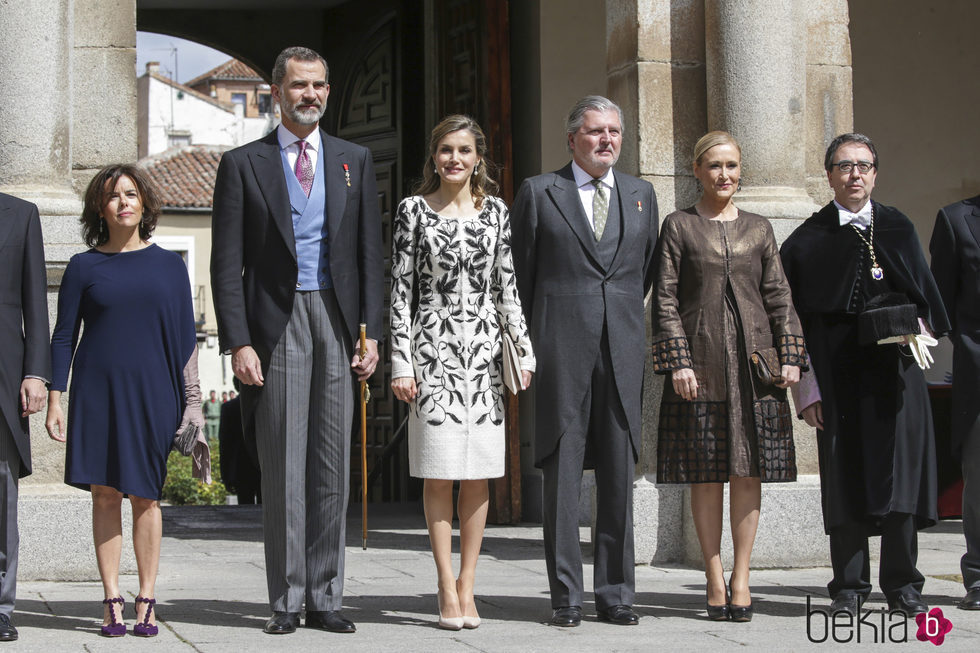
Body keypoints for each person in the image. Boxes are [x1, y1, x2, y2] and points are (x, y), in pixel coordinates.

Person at [210, 45, 383, 636]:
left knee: (332, 462)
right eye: (299, 86)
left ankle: (325, 594)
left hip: (336, 320)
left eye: (319, 86)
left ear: (328, 92)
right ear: (277, 93)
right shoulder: (243, 164)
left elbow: (368, 258)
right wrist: (238, 342)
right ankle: (286, 599)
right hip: (275, 325)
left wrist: (372, 334)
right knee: (284, 463)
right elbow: (225, 264)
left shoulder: (353, 159)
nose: (310, 95)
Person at [780, 133, 950, 617]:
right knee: (845, 480)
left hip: (897, 379)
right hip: (839, 381)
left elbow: (927, 303)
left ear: (876, 173)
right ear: (829, 174)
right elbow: (793, 323)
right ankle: (849, 587)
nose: (855, 174)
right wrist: (805, 391)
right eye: (844, 165)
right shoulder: (808, 239)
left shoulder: (897, 227)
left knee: (902, 483)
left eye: (864, 165)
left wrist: (912, 329)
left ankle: (903, 585)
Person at [510, 96, 659, 627]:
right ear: (572, 138)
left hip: (621, 349)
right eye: (595, 132)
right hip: (560, 351)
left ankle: (616, 593)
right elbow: (520, 279)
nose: (606, 141)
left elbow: (641, 274)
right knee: (564, 477)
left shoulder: (642, 195)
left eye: (615, 132)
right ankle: (566, 596)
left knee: (618, 475)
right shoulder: (538, 192)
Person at [652, 131, 806, 622]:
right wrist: (677, 360)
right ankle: (713, 575)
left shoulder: (760, 228)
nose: (725, 175)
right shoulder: (679, 225)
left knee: (748, 470)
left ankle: (742, 577)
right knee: (705, 474)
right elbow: (665, 298)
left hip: (754, 367)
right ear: (697, 170)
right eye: (715, 165)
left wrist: (791, 355)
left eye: (732, 166)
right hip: (699, 366)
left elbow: (779, 296)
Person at [389, 115, 535, 630]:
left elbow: (508, 286)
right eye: (446, 150)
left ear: (479, 160)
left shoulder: (497, 211)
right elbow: (400, 291)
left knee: (478, 474)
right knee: (439, 470)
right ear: (434, 157)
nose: (455, 159)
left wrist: (523, 349)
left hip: (485, 359)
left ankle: (469, 585)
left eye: (465, 151)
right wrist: (401, 361)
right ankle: (445, 584)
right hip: (432, 356)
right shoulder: (413, 212)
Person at [45, 164, 202, 638]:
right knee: (105, 494)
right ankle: (111, 598)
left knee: (146, 497)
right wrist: (56, 398)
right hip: (97, 392)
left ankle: (147, 598)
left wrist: (192, 406)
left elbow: (185, 340)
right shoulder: (82, 266)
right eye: (114, 196)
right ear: (100, 207)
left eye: (132, 194)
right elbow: (62, 337)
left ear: (144, 204)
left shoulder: (170, 266)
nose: (124, 202)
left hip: (155, 393)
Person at [0, 193, 50, 642]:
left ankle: (0, 605)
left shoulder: (21, 213)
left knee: (1, 499)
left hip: (3, 376)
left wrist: (36, 372)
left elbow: (36, 300)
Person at [929, 195, 980, 610]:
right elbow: (939, 302)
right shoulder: (956, 219)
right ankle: (979, 578)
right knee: (979, 479)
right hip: (978, 371)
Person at [219, 382, 262, 505]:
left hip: (240, 467)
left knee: (244, 510)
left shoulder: (228, 408)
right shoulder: (262, 405)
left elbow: (225, 445)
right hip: (261, 466)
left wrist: (226, 476)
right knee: (265, 510)